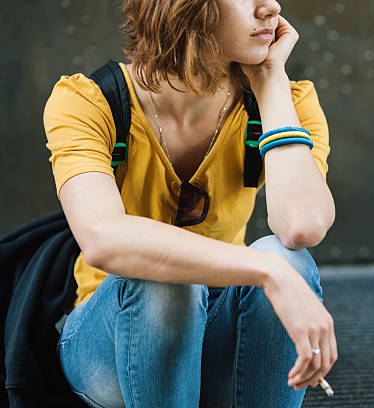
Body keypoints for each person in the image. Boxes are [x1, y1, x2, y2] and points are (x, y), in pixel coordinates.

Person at [42, 0, 337, 406]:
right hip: (111, 347)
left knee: (291, 259)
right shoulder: (88, 101)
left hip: (219, 337)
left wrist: (270, 83)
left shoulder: (287, 102)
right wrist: (268, 271)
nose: (271, 7)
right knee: (168, 280)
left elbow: (302, 225)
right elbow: (103, 238)